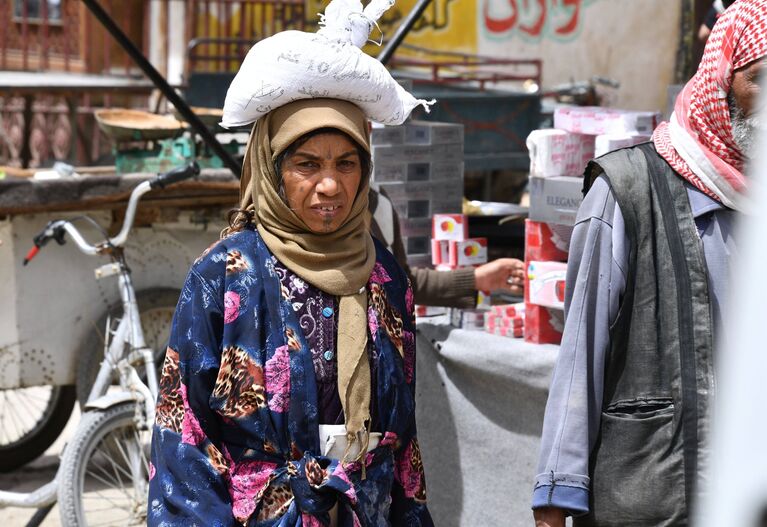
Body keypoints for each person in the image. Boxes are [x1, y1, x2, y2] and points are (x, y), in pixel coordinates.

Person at [533, 1, 766, 525]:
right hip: (655, 496)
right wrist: (556, 496)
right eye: (761, 79)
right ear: (722, 81)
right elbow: (580, 356)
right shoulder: (628, 190)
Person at [148, 98, 433, 526]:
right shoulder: (224, 275)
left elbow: (403, 444)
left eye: (346, 164)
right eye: (307, 165)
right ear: (273, 169)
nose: (331, 185)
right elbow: (185, 431)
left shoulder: (386, 278)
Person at [369, 186, 525, 308]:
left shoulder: (376, 202)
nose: (343, 187)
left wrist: (477, 278)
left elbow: (400, 284)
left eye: (348, 163)